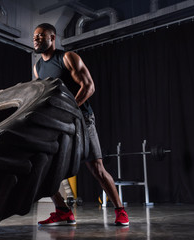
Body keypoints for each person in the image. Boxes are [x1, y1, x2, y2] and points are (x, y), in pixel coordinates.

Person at [33, 23, 129, 226]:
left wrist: (71, 109)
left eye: (41, 35)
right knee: (44, 169)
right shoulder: (38, 67)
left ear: (53, 37)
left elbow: (89, 86)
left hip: (81, 119)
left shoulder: (67, 58)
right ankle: (63, 211)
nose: (36, 38)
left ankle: (120, 210)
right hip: (57, 122)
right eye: (35, 36)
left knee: (97, 169)